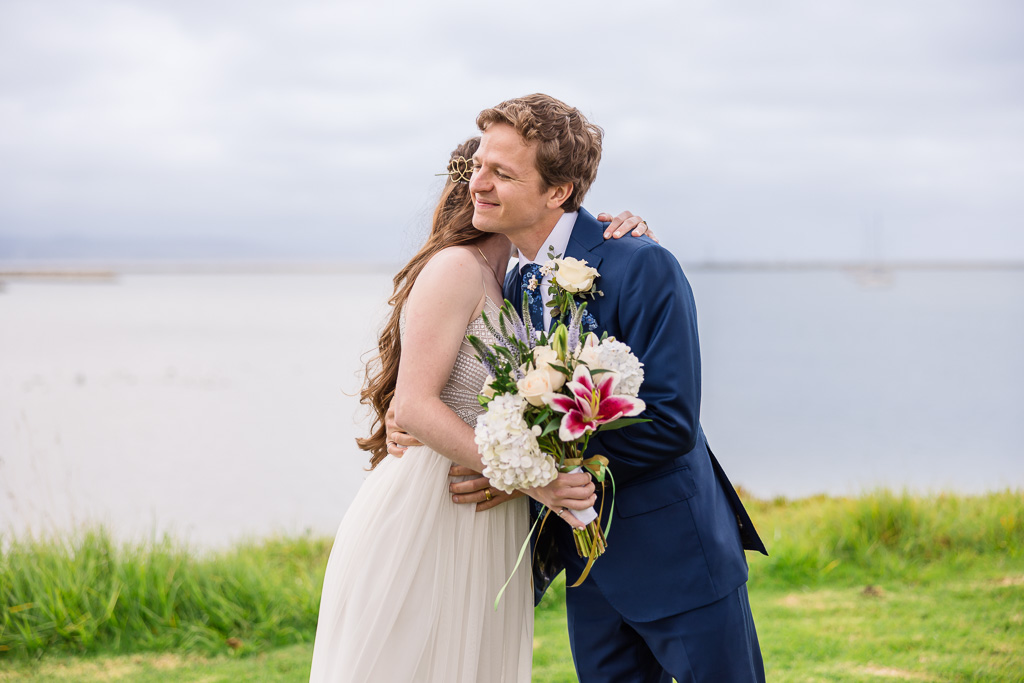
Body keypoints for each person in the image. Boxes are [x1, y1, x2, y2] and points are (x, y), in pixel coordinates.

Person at [389, 94, 769, 682]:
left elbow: (669, 422)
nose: (476, 184)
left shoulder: (641, 265)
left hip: (677, 557)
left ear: (557, 191)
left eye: (501, 173)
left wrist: (528, 474)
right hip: (586, 570)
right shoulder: (506, 282)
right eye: (479, 166)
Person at [308, 136, 652, 683]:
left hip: (484, 510)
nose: (490, 186)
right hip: (431, 507)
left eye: (506, 175)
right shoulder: (456, 267)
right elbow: (414, 407)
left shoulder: (518, 281)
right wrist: (536, 482)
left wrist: (625, 231)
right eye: (485, 174)